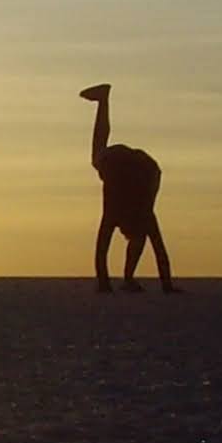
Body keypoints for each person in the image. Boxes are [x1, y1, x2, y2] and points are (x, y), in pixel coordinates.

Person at [82, 83, 177, 293]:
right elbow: (158, 250)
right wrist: (167, 286)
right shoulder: (141, 214)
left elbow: (102, 248)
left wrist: (104, 284)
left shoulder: (123, 211)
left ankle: (104, 100)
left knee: (99, 153)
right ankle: (128, 278)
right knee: (98, 154)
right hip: (140, 168)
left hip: (145, 168)